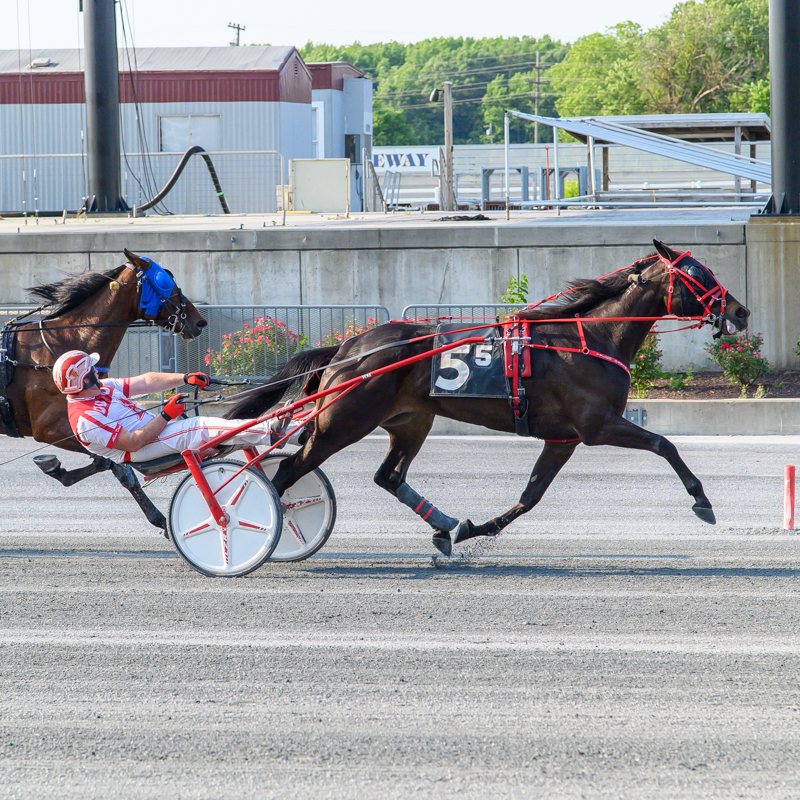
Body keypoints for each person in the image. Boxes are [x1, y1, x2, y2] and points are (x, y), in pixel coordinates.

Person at [53, 350, 297, 465]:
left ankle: (298, 431)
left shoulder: (104, 387)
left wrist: (186, 378)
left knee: (212, 426)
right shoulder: (85, 420)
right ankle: (270, 432)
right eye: (92, 370)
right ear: (84, 379)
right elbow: (132, 442)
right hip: (140, 450)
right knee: (197, 427)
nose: (98, 370)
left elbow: (146, 381)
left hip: (157, 432)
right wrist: (165, 415)